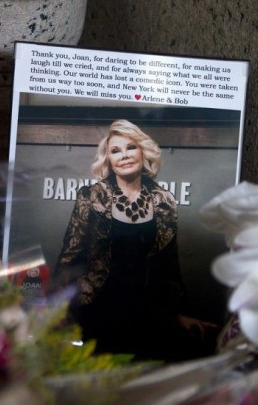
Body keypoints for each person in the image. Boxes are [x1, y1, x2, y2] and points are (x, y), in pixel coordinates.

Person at [53, 119, 216, 361]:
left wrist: (180, 314)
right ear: (108, 160)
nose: (124, 156)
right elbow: (69, 258)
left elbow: (170, 267)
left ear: (143, 151)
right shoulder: (91, 197)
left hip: (150, 315)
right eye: (115, 151)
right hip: (97, 311)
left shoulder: (165, 200)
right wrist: (57, 311)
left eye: (130, 147)